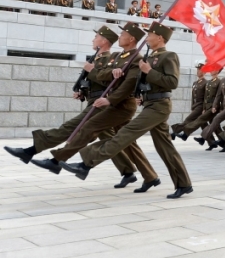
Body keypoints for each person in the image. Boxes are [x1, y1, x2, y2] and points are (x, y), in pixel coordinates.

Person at [4, 25, 157, 189]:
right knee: (122, 141)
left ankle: (43, 155)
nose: (120, 37)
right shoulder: (119, 56)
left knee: (77, 128)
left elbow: (122, 83)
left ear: (131, 38)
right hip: (108, 104)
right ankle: (143, 175)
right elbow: (105, 75)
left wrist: (108, 95)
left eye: (123, 34)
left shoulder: (129, 58)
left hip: (112, 104)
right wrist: (86, 89)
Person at [62, 22, 193, 199]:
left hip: (159, 106)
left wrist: (148, 70)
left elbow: (172, 82)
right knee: (165, 147)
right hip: (151, 104)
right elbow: (142, 82)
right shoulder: (150, 56)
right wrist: (140, 94)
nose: (147, 38)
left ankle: (87, 162)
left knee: (125, 133)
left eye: (150, 35)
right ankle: (183, 184)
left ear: (160, 38)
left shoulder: (169, 56)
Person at [171, 63, 208, 140]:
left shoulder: (206, 83)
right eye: (197, 70)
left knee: (188, 120)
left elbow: (205, 98)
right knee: (203, 124)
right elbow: (193, 96)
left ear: (204, 72)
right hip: (195, 106)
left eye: (200, 70)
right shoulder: (195, 83)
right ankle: (212, 142)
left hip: (200, 106)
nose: (198, 71)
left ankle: (175, 131)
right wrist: (192, 106)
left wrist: (204, 108)